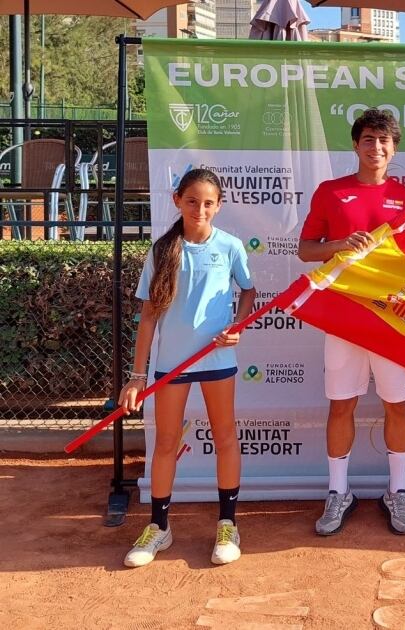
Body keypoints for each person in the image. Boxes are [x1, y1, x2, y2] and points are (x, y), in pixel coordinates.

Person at [119, 168, 256, 567]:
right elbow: (147, 317)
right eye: (192, 200)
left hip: (216, 360)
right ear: (177, 200)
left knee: (225, 437)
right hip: (171, 365)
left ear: (219, 206)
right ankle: (159, 528)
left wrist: (238, 325)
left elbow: (248, 289)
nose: (200, 209)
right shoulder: (162, 251)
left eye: (208, 202)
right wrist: (137, 375)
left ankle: (228, 524)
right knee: (165, 444)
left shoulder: (229, 246)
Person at [298, 108, 405, 536]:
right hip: (344, 320)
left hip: (392, 323)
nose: (376, 148)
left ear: (395, 147)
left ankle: (398, 491)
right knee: (342, 404)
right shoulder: (331, 192)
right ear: (355, 145)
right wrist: (338, 245)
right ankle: (338, 493)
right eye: (368, 139)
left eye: (384, 141)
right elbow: (305, 250)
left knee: (396, 406)